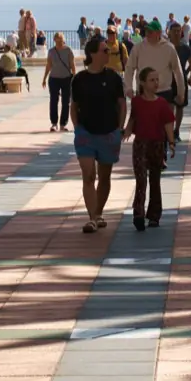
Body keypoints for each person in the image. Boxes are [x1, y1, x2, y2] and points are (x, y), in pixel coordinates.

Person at [71, 34, 126, 233]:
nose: (108, 53)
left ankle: (98, 212)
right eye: (104, 50)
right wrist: (77, 129)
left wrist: (120, 128)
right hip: (86, 134)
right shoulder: (80, 79)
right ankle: (92, 218)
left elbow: (122, 104)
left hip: (109, 133)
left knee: (104, 176)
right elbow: (73, 106)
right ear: (92, 54)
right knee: (88, 175)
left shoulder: (113, 78)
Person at [127, 66, 177, 231]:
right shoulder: (136, 102)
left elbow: (168, 123)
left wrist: (171, 142)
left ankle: (154, 215)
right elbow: (132, 120)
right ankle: (138, 213)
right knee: (141, 179)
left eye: (157, 79)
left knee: (155, 180)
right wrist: (124, 132)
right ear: (142, 82)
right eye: (152, 80)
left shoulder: (162, 103)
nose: (156, 83)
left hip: (157, 145)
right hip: (141, 144)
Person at [129, 20, 187, 130]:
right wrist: (128, 87)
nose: (148, 34)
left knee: (165, 127)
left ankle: (165, 145)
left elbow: (177, 71)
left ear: (159, 33)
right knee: (145, 126)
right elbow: (129, 68)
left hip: (164, 92)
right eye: (146, 31)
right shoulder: (138, 48)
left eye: (151, 31)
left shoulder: (169, 48)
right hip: (144, 93)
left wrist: (181, 93)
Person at [168, 24, 191, 141]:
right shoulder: (165, 47)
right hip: (167, 80)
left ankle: (176, 131)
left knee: (180, 107)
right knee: (169, 106)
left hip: (181, 80)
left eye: (178, 31)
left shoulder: (185, 48)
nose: (176, 33)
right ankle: (169, 130)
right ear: (169, 33)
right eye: (174, 31)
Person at [47, 32, 76, 132]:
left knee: (66, 102)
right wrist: (44, 78)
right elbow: (48, 65)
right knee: (53, 101)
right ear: (54, 40)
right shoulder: (51, 51)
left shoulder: (68, 50)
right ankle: (54, 123)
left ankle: (63, 124)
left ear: (63, 40)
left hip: (66, 78)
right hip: (54, 78)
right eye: (57, 39)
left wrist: (74, 77)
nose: (59, 41)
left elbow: (72, 64)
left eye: (60, 39)